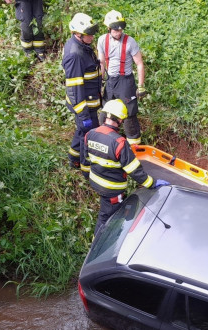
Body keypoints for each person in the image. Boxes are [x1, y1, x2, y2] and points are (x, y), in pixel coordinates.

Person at [81, 99, 170, 235]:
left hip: (96, 182)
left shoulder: (90, 134)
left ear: (105, 116)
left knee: (116, 210)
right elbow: (134, 170)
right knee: (106, 218)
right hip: (112, 190)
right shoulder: (119, 143)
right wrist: (152, 183)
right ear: (120, 120)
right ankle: (98, 245)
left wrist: (89, 176)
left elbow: (85, 160)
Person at [97, 10, 147, 147]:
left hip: (125, 81)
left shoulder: (130, 42)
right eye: (115, 30)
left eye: (120, 30)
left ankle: (135, 147)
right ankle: (105, 141)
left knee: (130, 114)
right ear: (108, 28)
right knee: (106, 110)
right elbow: (101, 62)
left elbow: (139, 63)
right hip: (110, 81)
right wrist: (100, 80)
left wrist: (141, 85)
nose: (118, 32)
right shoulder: (102, 40)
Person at [62, 13, 102, 170]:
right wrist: (84, 114)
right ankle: (87, 169)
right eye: (88, 34)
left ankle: (73, 158)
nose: (92, 37)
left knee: (81, 131)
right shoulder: (75, 55)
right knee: (89, 136)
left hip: (89, 100)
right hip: (83, 104)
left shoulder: (82, 46)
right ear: (77, 34)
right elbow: (74, 88)